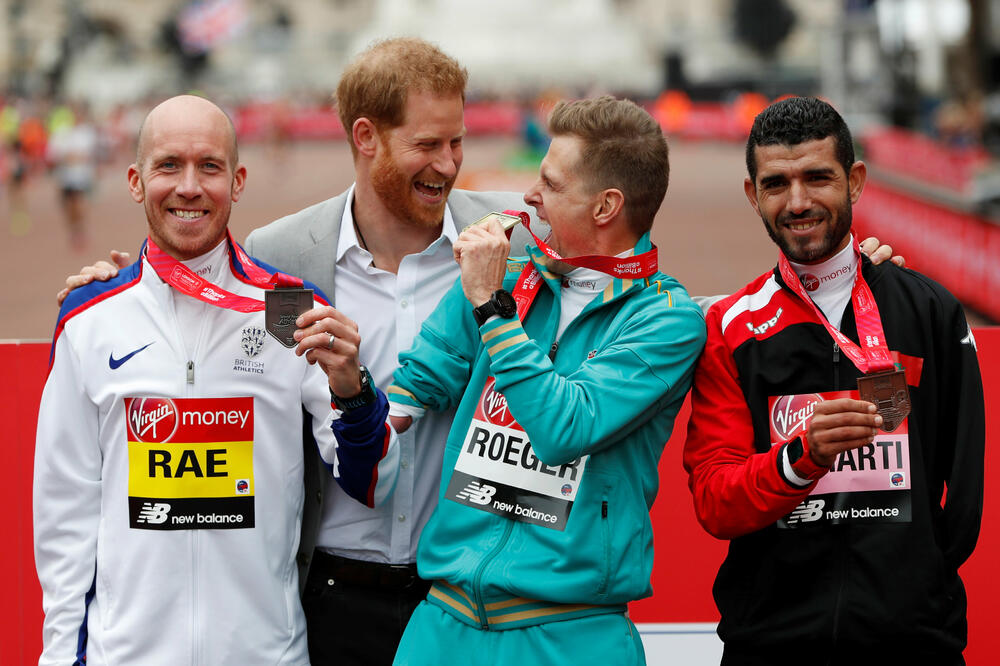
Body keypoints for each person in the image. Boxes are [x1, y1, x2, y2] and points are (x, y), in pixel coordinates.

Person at [333, 95, 706, 665]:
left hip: (569, 635)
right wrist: (354, 392)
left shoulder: (665, 319)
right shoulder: (508, 277)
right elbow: (412, 392)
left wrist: (490, 309)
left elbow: (565, 426)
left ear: (606, 206)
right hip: (443, 625)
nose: (530, 196)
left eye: (551, 185)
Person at [33, 95, 397, 666]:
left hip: (264, 653)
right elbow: (64, 515)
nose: (188, 186)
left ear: (237, 179)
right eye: (168, 166)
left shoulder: (288, 309)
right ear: (135, 180)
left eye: (209, 166)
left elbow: (374, 479)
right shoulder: (90, 319)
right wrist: (61, 657)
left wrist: (354, 392)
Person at [683, 96, 985, 665]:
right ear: (753, 195)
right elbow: (715, 502)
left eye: (817, 177)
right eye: (776, 184)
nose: (798, 202)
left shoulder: (928, 311)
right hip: (771, 643)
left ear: (855, 181)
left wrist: (919, 589)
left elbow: (962, 487)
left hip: (914, 642)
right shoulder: (730, 328)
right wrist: (799, 459)